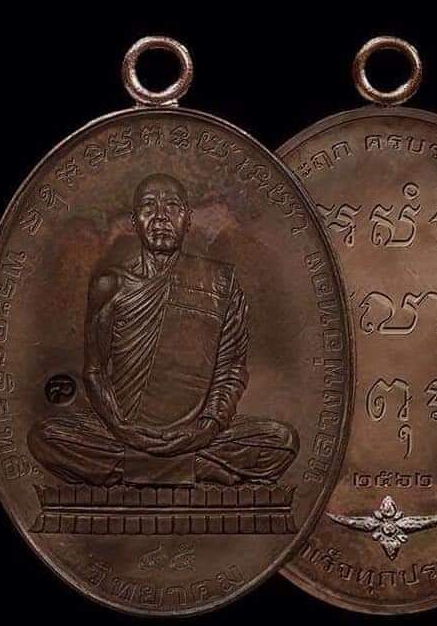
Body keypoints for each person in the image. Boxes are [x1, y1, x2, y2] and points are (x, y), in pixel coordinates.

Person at [28, 173, 298, 486]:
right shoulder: (111, 285)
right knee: (44, 437)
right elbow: (95, 371)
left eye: (172, 206)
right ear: (134, 222)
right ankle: (194, 468)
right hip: (122, 431)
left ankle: (144, 468)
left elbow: (231, 370)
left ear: (187, 219)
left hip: (196, 433)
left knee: (282, 442)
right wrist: (119, 426)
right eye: (148, 207)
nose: (160, 217)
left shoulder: (222, 284)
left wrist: (208, 426)